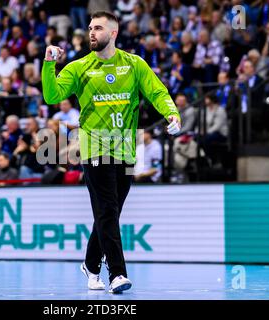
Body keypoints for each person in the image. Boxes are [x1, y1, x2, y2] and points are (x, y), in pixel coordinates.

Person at [41, 11, 181, 293]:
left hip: (126, 151)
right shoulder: (79, 67)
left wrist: (172, 113)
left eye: (98, 28)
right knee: (107, 210)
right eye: (90, 27)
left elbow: (157, 92)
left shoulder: (134, 65)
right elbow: (52, 96)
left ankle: (90, 265)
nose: (92, 32)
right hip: (94, 149)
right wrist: (48, 65)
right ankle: (117, 274)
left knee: (109, 214)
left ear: (113, 33)